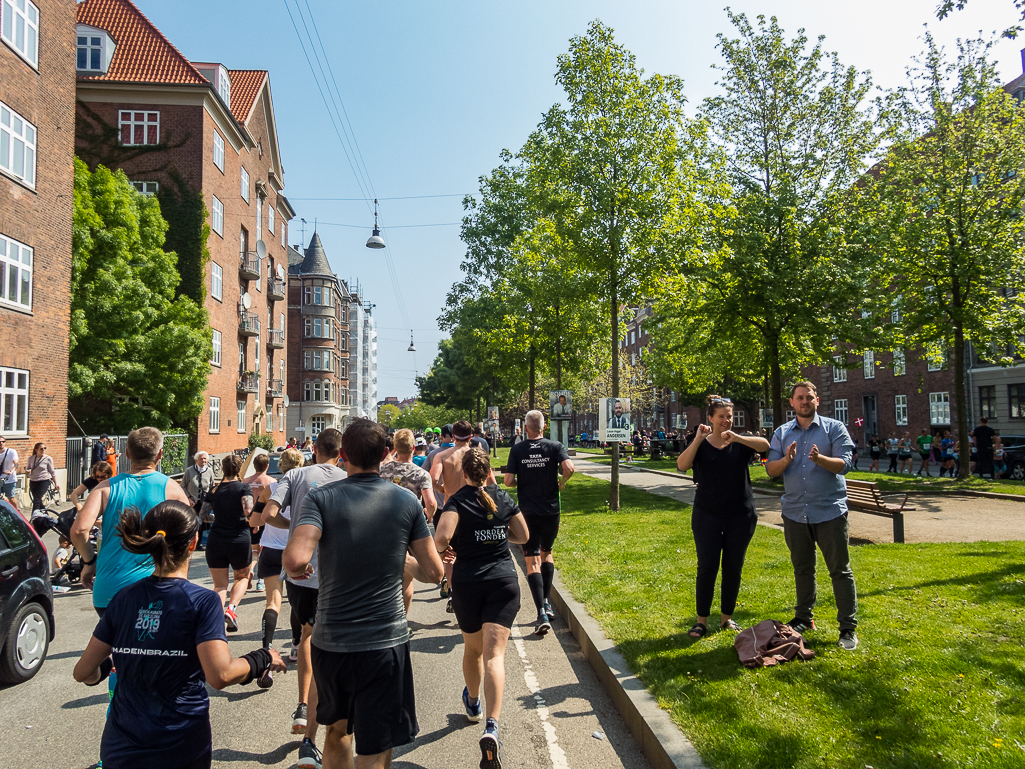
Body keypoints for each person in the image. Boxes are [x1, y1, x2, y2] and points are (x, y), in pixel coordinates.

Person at [73, 500, 285, 769]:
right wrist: (262, 657)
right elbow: (220, 675)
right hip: (180, 741)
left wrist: (112, 665)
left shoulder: (123, 598)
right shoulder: (203, 602)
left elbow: (83, 673)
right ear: (194, 542)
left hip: (122, 743)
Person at [283, 419, 444, 769]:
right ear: (385, 455)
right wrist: (399, 560)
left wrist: (301, 569)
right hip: (384, 641)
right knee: (376, 742)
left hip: (332, 639)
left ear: (342, 455)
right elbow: (434, 572)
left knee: (337, 731)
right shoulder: (405, 501)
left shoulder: (320, 497)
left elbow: (295, 559)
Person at [435, 447, 529, 769]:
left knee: (473, 651)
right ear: (489, 472)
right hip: (504, 582)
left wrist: (450, 550)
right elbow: (523, 534)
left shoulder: (458, 501)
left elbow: (440, 539)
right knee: (495, 656)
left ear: (463, 473)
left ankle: (473, 704)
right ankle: (492, 726)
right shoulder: (502, 497)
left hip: (469, 585)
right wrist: (498, 537)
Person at [262, 428, 347, 765]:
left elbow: (267, 514)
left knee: (307, 638)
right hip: (334, 572)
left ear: (314, 449)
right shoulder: (346, 477)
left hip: (299, 573)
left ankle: (302, 705)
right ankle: (319, 720)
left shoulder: (295, 474)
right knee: (326, 644)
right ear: (340, 452)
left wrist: (295, 524)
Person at [766, 381, 859, 651]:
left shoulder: (834, 428)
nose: (805, 402)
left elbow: (846, 464)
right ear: (792, 403)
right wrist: (787, 459)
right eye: (799, 398)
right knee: (802, 569)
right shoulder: (782, 433)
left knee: (840, 571)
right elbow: (772, 469)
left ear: (817, 400)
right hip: (795, 512)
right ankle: (804, 618)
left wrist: (821, 460)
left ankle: (847, 628)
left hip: (829, 511)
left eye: (809, 397)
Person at [72, 427, 192, 617]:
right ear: (160, 454)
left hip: (110, 588)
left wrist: (90, 562)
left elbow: (79, 531)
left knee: (113, 644)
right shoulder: (172, 489)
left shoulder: (105, 488)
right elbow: (190, 535)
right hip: (155, 586)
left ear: (127, 453)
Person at [676, 395, 769, 638]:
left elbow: (765, 446)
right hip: (707, 514)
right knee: (707, 567)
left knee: (733, 567)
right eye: (721, 417)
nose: (726, 420)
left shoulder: (740, 443)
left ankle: (727, 618)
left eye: (729, 416)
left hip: (740, 515)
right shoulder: (701, 444)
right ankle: (701, 621)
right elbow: (682, 465)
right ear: (710, 418)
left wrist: (738, 437)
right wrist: (698, 438)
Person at [504, 410, 574, 636]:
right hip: (551, 510)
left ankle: (541, 613)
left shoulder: (517, 449)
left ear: (526, 428)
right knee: (548, 552)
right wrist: (562, 481)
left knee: (531, 559)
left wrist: (519, 482)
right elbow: (569, 468)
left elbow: (508, 480)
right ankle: (547, 601)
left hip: (528, 511)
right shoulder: (555, 447)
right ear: (544, 427)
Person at [255, 448, 305, 666]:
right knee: (295, 603)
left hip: (271, 549)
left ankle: (266, 649)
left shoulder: (269, 489)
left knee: (272, 602)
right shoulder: (306, 489)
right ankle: (295, 645)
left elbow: (254, 521)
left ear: (281, 466)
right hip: (295, 549)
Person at [380, 428, 439, 613]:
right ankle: (402, 620)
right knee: (407, 578)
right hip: (408, 529)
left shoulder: (381, 470)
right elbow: (430, 502)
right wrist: (428, 515)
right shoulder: (421, 474)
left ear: (394, 448)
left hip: (382, 526)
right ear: (414, 447)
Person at [204, 455, 254, 631]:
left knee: (219, 585)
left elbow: (204, 515)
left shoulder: (214, 490)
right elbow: (248, 510)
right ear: (239, 469)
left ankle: (214, 619)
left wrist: (218, 517)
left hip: (216, 538)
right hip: (239, 538)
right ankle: (231, 610)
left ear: (223, 469)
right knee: (242, 577)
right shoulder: (243, 487)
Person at [243, 453, 274, 591]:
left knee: (254, 549)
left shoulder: (245, 481)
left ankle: (250, 570)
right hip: (263, 520)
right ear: (267, 466)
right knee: (264, 550)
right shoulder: (271, 482)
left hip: (247, 519)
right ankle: (260, 579)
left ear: (254, 466)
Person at [26, 442, 58, 512]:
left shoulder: (48, 458)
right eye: (41, 449)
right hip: (33, 481)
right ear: (36, 450)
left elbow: (52, 472)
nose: (43, 450)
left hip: (44, 481)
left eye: (44, 448)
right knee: (37, 500)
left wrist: (56, 484)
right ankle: (45, 515)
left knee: (37, 499)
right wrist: (28, 471)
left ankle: (34, 516)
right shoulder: (31, 458)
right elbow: (27, 468)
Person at [181, 451, 215, 517]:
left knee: (205, 523)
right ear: (196, 460)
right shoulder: (189, 470)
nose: (203, 460)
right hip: (192, 503)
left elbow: (212, 487)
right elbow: (183, 486)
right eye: (201, 459)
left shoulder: (210, 471)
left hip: (205, 503)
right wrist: (189, 498)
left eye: (205, 458)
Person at [0, 435, 20, 510]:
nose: (1, 443)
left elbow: (16, 463)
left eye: (3, 441)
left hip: (9, 479)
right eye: (0, 442)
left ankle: (17, 513)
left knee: (11, 498)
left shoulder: (11, 452)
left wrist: (11, 471)